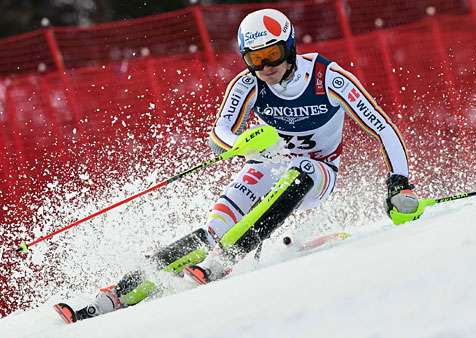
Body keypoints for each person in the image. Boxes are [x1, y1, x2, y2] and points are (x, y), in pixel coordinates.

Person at [53, 8, 425, 324]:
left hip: (318, 172)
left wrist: (399, 183)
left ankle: (228, 257)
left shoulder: (328, 77)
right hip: (269, 166)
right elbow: (221, 133)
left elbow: (382, 126)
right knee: (209, 234)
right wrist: (242, 144)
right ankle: (115, 295)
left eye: (273, 55)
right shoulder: (248, 84)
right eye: (255, 59)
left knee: (302, 173)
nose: (265, 67)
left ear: (291, 47)